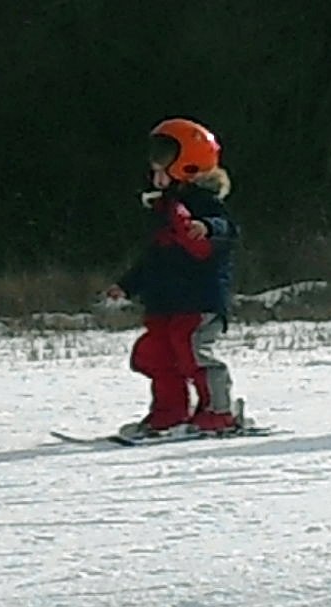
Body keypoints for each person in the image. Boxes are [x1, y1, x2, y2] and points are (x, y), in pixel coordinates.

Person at [107, 118, 243, 437]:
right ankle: (169, 411)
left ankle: (218, 410)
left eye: (162, 163)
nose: (155, 174)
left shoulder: (204, 205)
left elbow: (227, 231)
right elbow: (154, 257)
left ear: (187, 165)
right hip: (164, 302)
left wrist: (207, 228)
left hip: (198, 301)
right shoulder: (164, 210)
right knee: (156, 354)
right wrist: (126, 285)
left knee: (192, 351)